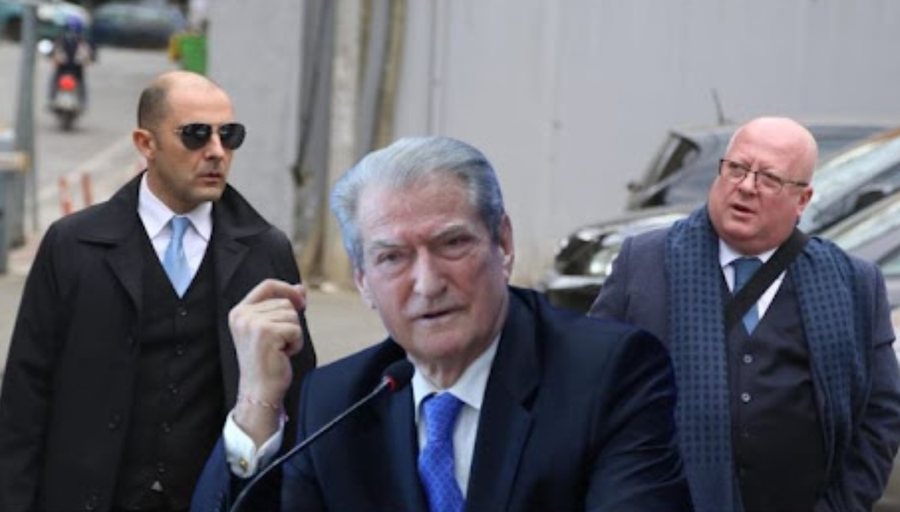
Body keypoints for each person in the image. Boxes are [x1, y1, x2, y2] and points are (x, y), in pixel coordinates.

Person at [191, 136, 693, 511]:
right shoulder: (338, 401)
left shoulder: (608, 372)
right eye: (393, 257)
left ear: (503, 244)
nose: (428, 284)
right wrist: (256, 403)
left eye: (452, 244)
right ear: (363, 281)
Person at [0, 70, 317, 512]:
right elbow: (25, 400)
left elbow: (301, 401)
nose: (216, 151)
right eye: (195, 135)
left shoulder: (265, 251)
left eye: (229, 135)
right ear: (145, 144)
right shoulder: (73, 245)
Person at [590, 116, 900, 512]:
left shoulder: (853, 283)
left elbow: (880, 414)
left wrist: (842, 505)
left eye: (769, 178)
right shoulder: (644, 263)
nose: (747, 186)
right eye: (737, 168)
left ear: (802, 200)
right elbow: (591, 389)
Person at [49, 16, 92, 104]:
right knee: (55, 81)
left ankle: (81, 101)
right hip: (63, 68)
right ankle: (52, 99)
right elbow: (55, 52)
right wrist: (57, 57)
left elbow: (87, 55)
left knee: (80, 83)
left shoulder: (82, 42)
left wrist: (84, 59)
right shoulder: (61, 40)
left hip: (75, 69)